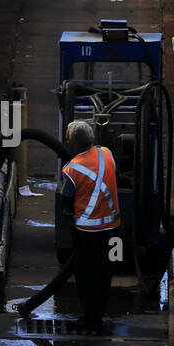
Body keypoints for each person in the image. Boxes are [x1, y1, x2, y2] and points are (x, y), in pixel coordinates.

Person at [58, 119, 120, 334]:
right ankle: (100, 315)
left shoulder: (72, 168)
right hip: (113, 228)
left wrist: (69, 213)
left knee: (86, 276)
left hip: (87, 232)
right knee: (106, 272)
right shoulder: (107, 153)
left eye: (68, 141)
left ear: (74, 145)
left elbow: (66, 198)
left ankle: (90, 320)